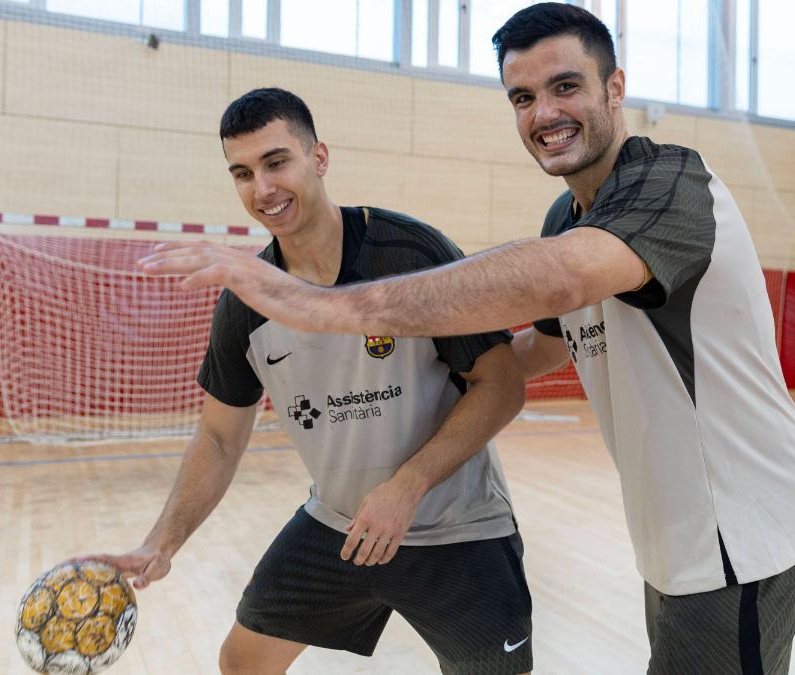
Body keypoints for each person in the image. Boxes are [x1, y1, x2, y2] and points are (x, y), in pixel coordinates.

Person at [138, 5, 795, 674]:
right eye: (523, 97)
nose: (544, 113)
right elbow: (541, 349)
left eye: (566, 86)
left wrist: (323, 309)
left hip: (745, 526)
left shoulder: (673, 183)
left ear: (615, 87)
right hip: (681, 532)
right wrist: (437, 378)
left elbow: (560, 280)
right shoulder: (568, 217)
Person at [98, 88, 534, 675]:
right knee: (243, 663)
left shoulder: (409, 253)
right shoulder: (246, 301)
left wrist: (407, 486)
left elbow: (501, 385)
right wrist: (161, 542)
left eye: (276, 162)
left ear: (319, 157)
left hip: (459, 528)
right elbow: (220, 437)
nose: (263, 189)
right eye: (242, 173)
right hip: (340, 524)